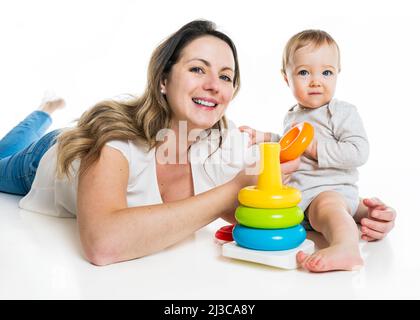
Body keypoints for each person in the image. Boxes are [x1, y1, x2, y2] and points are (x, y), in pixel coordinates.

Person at [0, 20, 300, 266]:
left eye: (225, 76)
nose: (213, 84)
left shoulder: (224, 142)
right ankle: (42, 113)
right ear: (163, 80)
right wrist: (232, 191)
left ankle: (43, 112)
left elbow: (253, 209)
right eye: (198, 69)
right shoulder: (112, 136)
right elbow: (103, 244)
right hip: (50, 157)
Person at [239, 30, 396, 272]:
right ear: (286, 78)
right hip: (303, 199)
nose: (316, 81)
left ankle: (347, 249)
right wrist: (264, 138)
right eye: (303, 72)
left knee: (328, 208)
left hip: (329, 191)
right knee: (321, 212)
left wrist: (315, 149)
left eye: (326, 72)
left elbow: (358, 152)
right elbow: (288, 147)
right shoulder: (293, 115)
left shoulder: (341, 112)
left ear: (337, 74)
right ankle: (361, 215)